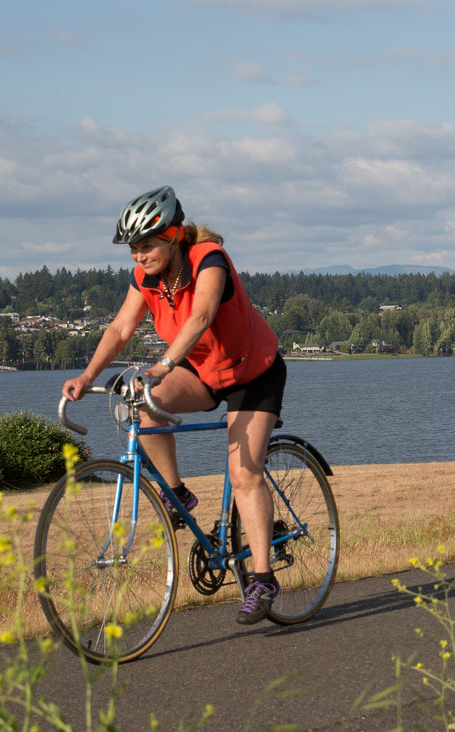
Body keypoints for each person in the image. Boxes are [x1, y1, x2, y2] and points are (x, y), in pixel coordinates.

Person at [61, 186, 289, 625]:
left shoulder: (208, 259)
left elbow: (202, 316)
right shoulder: (145, 279)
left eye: (147, 246)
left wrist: (164, 364)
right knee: (142, 402)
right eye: (133, 249)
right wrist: (87, 376)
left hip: (253, 373)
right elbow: (121, 328)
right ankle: (177, 492)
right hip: (203, 372)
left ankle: (262, 577)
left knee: (244, 474)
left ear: (173, 236)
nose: (139, 257)